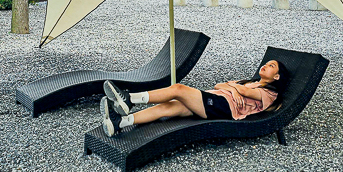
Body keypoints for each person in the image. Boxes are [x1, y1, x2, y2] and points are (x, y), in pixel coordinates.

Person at [99, 59, 287, 137]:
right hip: (215, 99)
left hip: (222, 107)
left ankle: (129, 99)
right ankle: (121, 123)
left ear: (276, 77)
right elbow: (219, 85)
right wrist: (235, 88)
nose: (265, 66)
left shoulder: (270, 94)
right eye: (266, 63)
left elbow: (246, 93)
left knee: (178, 89)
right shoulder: (247, 81)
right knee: (168, 107)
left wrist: (236, 90)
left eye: (271, 66)